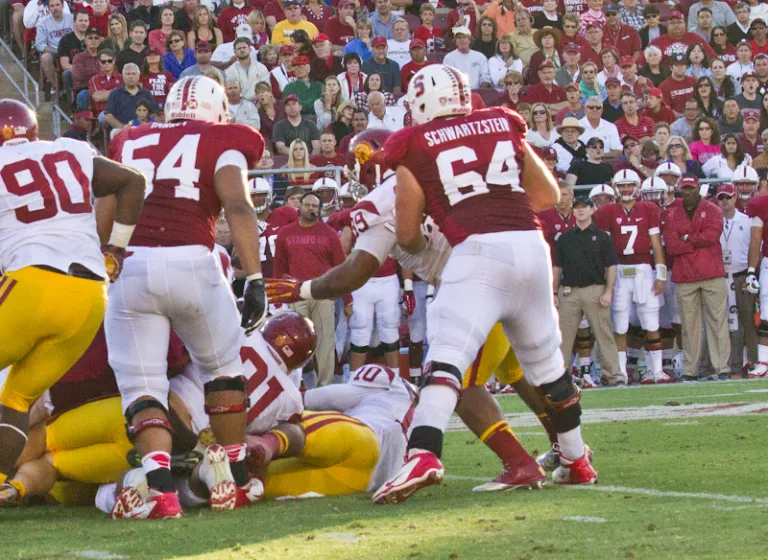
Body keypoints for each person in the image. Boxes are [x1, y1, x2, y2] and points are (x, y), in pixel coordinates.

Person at [265, 128, 555, 493]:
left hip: (479, 290)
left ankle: (519, 462)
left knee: (458, 384)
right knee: (521, 374)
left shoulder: (385, 199)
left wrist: (305, 287)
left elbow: (358, 270)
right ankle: (568, 450)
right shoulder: (433, 181)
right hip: (517, 272)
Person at [372, 64, 595, 505]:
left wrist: (437, 237)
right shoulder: (502, 123)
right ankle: (576, 460)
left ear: (418, 104)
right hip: (531, 245)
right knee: (548, 367)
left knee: (446, 359)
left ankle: (423, 454)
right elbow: (548, 196)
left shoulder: (413, 144)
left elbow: (406, 234)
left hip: (477, 253)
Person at [105, 76, 268, 518]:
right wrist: (253, 276)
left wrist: (110, 253)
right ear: (218, 111)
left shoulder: (131, 138)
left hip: (133, 265)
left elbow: (106, 197)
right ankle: (233, 477)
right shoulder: (223, 139)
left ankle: (160, 490)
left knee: (141, 384)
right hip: (193, 263)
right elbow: (237, 205)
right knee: (222, 370)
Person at [0, 99, 146, 506]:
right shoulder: (71, 149)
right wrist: (115, 249)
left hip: (33, 282)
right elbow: (133, 181)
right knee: (14, 399)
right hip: (89, 296)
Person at [594, 169, 669, 384]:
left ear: (637, 187)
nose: (626, 189)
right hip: (618, 270)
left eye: (629, 185)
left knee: (650, 319)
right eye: (622, 186)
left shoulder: (649, 209)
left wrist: (660, 274)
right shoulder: (607, 211)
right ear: (616, 188)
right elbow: (605, 248)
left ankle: (656, 370)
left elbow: (656, 244)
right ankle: (621, 373)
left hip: (644, 269)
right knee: (620, 324)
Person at [273, 192, 346, 388]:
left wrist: (347, 300)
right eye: (308, 205)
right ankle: (300, 387)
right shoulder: (285, 233)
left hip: (323, 293)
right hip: (297, 293)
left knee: (325, 343)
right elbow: (279, 267)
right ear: (300, 207)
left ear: (320, 209)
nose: (311, 208)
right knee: (297, 342)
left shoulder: (329, 233)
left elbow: (341, 267)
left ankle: (325, 389)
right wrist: (279, 294)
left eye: (315, 206)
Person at [663, 176, 730, 381]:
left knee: (718, 321)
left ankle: (722, 368)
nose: (689, 192)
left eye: (692, 188)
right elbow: (672, 245)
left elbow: (712, 236)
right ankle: (689, 369)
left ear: (698, 188)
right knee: (689, 326)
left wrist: (687, 238)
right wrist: (693, 242)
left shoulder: (713, 210)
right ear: (680, 190)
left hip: (711, 273)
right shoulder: (673, 213)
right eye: (685, 189)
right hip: (685, 275)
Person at [553, 195, 623, 387]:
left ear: (593, 210)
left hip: (595, 289)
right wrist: (553, 292)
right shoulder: (565, 238)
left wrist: (608, 291)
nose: (580, 210)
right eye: (577, 207)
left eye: (584, 207)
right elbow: (557, 266)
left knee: (604, 334)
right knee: (563, 337)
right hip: (569, 291)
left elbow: (611, 266)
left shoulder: (602, 237)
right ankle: (559, 377)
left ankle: (613, 375)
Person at [715, 184, 757, 374]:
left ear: (735, 198)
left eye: (728, 197)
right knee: (722, 321)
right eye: (721, 198)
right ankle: (728, 364)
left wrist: (751, 274)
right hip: (719, 275)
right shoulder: (713, 220)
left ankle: (754, 362)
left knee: (747, 320)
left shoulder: (746, 220)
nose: (725, 201)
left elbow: (753, 249)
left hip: (741, 274)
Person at [104, 63, 157, 132]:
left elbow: (153, 114)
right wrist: (124, 128)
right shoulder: (115, 93)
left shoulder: (146, 93)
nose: (131, 76)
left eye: (134, 74)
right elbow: (108, 116)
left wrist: (143, 128)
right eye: (128, 74)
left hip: (143, 130)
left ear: (138, 76)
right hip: (121, 131)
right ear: (123, 76)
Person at [36, 0, 74, 96]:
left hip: (73, 49)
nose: (55, 8)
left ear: (63, 5)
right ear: (48, 8)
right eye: (52, 6)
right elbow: (39, 44)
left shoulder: (72, 18)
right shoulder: (43, 23)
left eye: (57, 5)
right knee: (45, 58)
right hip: (55, 50)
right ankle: (58, 88)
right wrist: (56, 50)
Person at [71, 27, 103, 111]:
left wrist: (89, 72)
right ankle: (83, 120)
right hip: (85, 89)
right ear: (85, 40)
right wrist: (99, 74)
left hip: (102, 89)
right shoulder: (78, 57)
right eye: (90, 38)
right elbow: (79, 75)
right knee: (83, 94)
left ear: (100, 40)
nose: (93, 40)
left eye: (96, 38)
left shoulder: (104, 57)